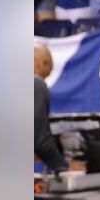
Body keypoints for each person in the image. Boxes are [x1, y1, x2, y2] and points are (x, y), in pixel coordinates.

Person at [34, 44, 67, 174]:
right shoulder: (35, 83)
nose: (45, 81)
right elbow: (39, 140)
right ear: (43, 63)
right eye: (46, 75)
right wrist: (63, 168)